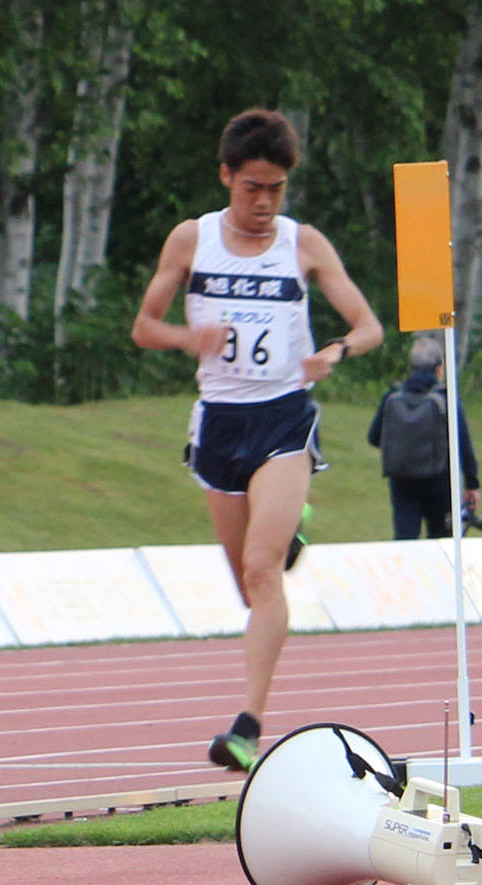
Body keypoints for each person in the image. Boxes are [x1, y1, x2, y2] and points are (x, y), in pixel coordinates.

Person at [132, 108, 382, 771]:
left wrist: (334, 350)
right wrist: (191, 337)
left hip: (282, 418)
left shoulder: (302, 244)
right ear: (227, 177)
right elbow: (144, 327)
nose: (265, 202)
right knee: (249, 590)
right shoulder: (191, 241)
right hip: (218, 423)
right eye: (252, 188)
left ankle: (248, 725)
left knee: (261, 570)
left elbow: (367, 325)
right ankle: (290, 523)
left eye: (276, 188)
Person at [367, 334, 479, 540]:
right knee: (442, 540)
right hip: (440, 481)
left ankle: (404, 572)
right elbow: (462, 443)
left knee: (405, 538)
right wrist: (472, 484)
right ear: (439, 370)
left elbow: (373, 437)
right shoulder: (446, 398)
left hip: (402, 481)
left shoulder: (392, 396)